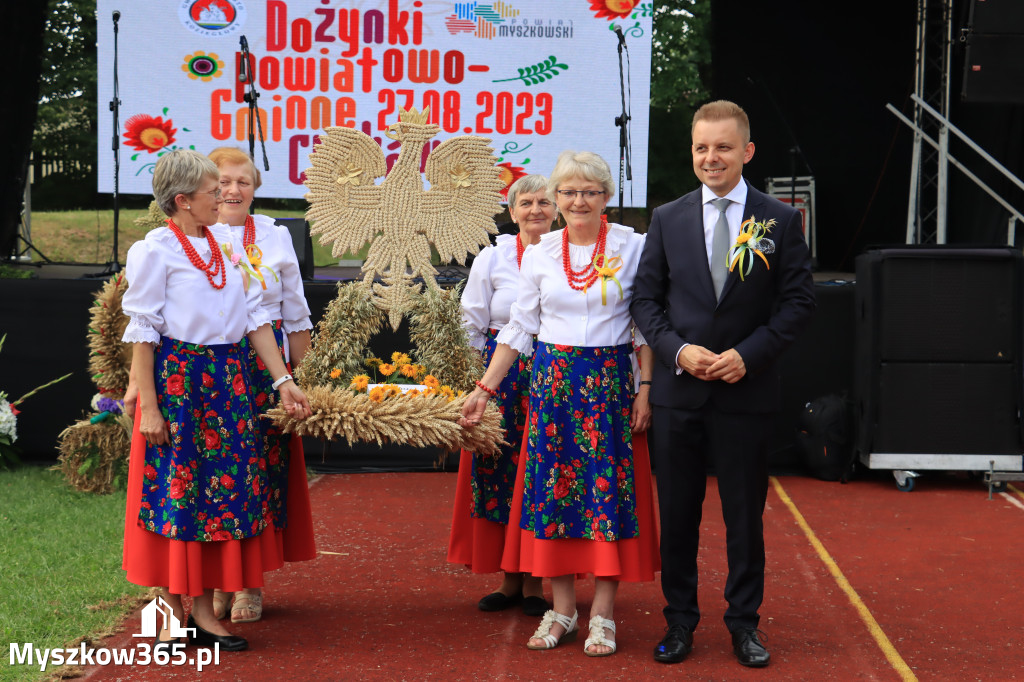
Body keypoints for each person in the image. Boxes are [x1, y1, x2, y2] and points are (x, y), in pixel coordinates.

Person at [630, 100, 816, 667]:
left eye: (723, 147)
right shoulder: (667, 217)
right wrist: (679, 352)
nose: (712, 157)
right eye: (702, 148)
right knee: (679, 516)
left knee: (743, 518)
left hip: (746, 394)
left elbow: (798, 302)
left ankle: (744, 625)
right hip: (680, 394)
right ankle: (680, 622)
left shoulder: (780, 220)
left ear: (747, 152)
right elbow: (645, 300)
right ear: (692, 153)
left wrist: (748, 356)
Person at [461, 151, 659, 657]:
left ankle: (604, 616)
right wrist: (484, 390)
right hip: (552, 391)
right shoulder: (543, 253)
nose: (577, 201)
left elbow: (644, 323)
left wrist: (646, 387)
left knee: (607, 499)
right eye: (568, 192)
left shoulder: (633, 247)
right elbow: (520, 327)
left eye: (588, 192)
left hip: (609, 388)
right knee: (556, 497)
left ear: (606, 197)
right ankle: (563, 610)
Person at [120, 149, 312, 652]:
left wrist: (282, 380)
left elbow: (254, 317)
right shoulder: (154, 250)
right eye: (212, 191)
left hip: (228, 383)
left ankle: (203, 614)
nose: (224, 196)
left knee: (216, 499)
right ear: (183, 201)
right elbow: (142, 332)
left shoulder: (226, 241)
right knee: (175, 497)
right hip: (181, 384)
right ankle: (170, 613)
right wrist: (151, 408)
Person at [207, 146, 317, 624]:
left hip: (266, 372)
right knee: (212, 471)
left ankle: (250, 583)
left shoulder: (275, 236)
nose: (233, 190)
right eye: (223, 182)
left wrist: (304, 378)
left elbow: (294, 310)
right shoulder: (190, 235)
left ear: (255, 187)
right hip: (210, 366)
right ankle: (213, 582)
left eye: (243, 182)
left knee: (261, 471)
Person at [447, 175, 556, 617]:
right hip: (499, 377)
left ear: (557, 209)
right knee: (497, 470)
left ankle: (536, 582)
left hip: (551, 373)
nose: (535, 210)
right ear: (511, 212)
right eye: (525, 202)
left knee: (542, 471)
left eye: (544, 202)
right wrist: (473, 385)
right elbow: (470, 324)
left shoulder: (567, 255)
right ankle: (510, 580)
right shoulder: (491, 258)